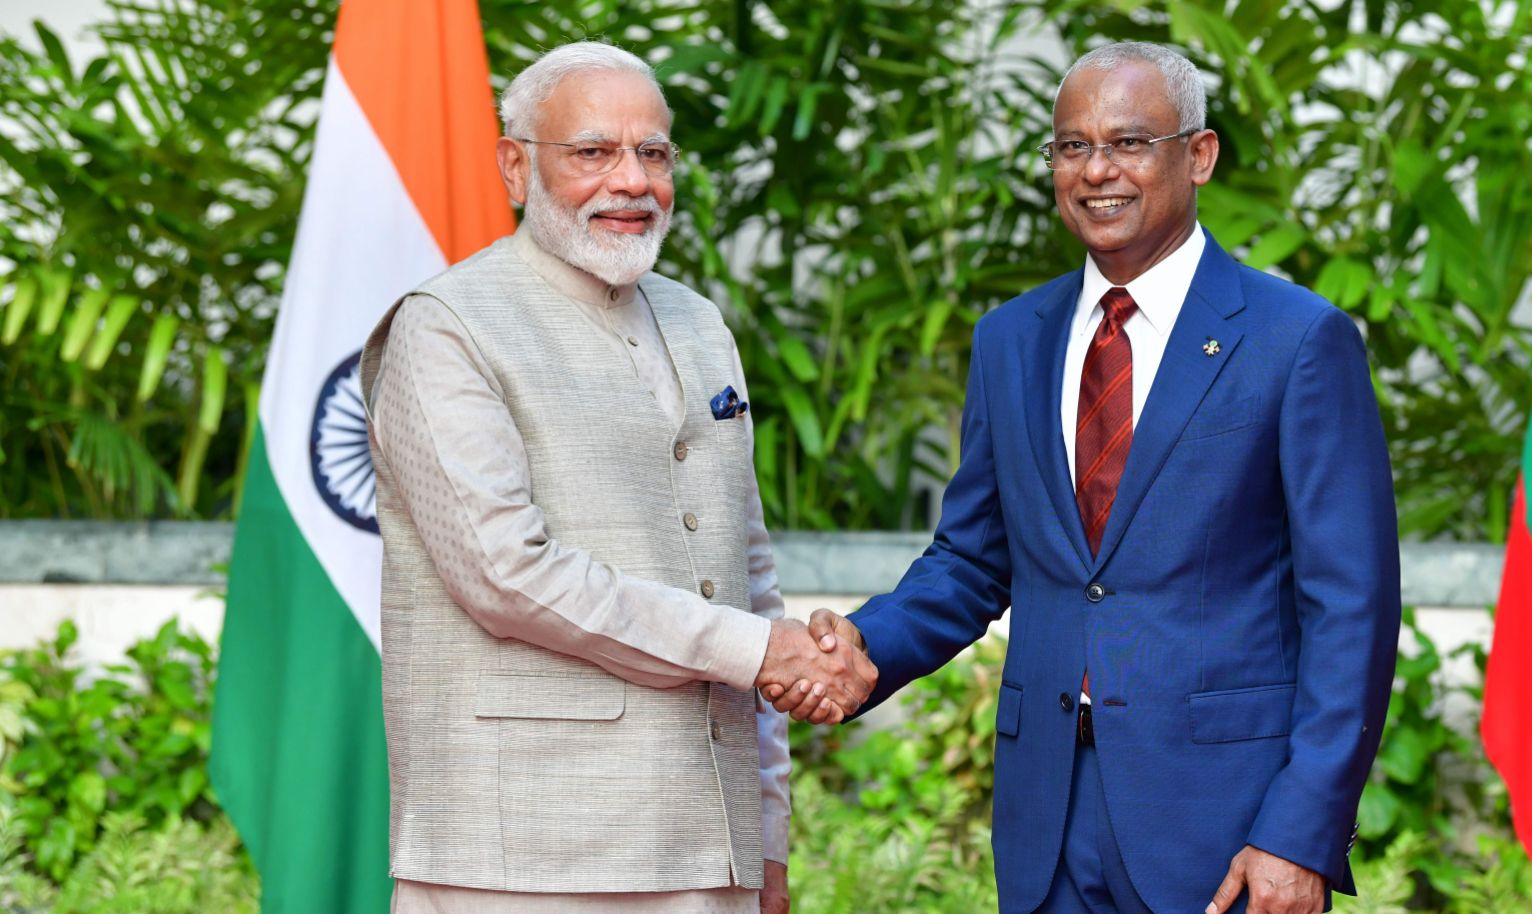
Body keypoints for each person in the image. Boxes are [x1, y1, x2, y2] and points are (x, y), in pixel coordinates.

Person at [770, 42, 1400, 914]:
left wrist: (1301, 831)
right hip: (1048, 819)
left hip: (1228, 830)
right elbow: (973, 559)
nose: (1097, 169)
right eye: (1071, 146)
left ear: (1200, 154)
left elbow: (1352, 608)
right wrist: (867, 650)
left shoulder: (1297, 340)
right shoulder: (1010, 340)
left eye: (1131, 143)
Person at [362, 41, 874, 914]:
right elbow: (506, 574)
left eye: (654, 153)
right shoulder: (443, 329)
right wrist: (758, 652)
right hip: (518, 856)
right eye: (594, 152)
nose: (631, 182)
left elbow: (748, 578)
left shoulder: (700, 322)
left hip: (706, 849)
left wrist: (767, 838)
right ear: (516, 168)